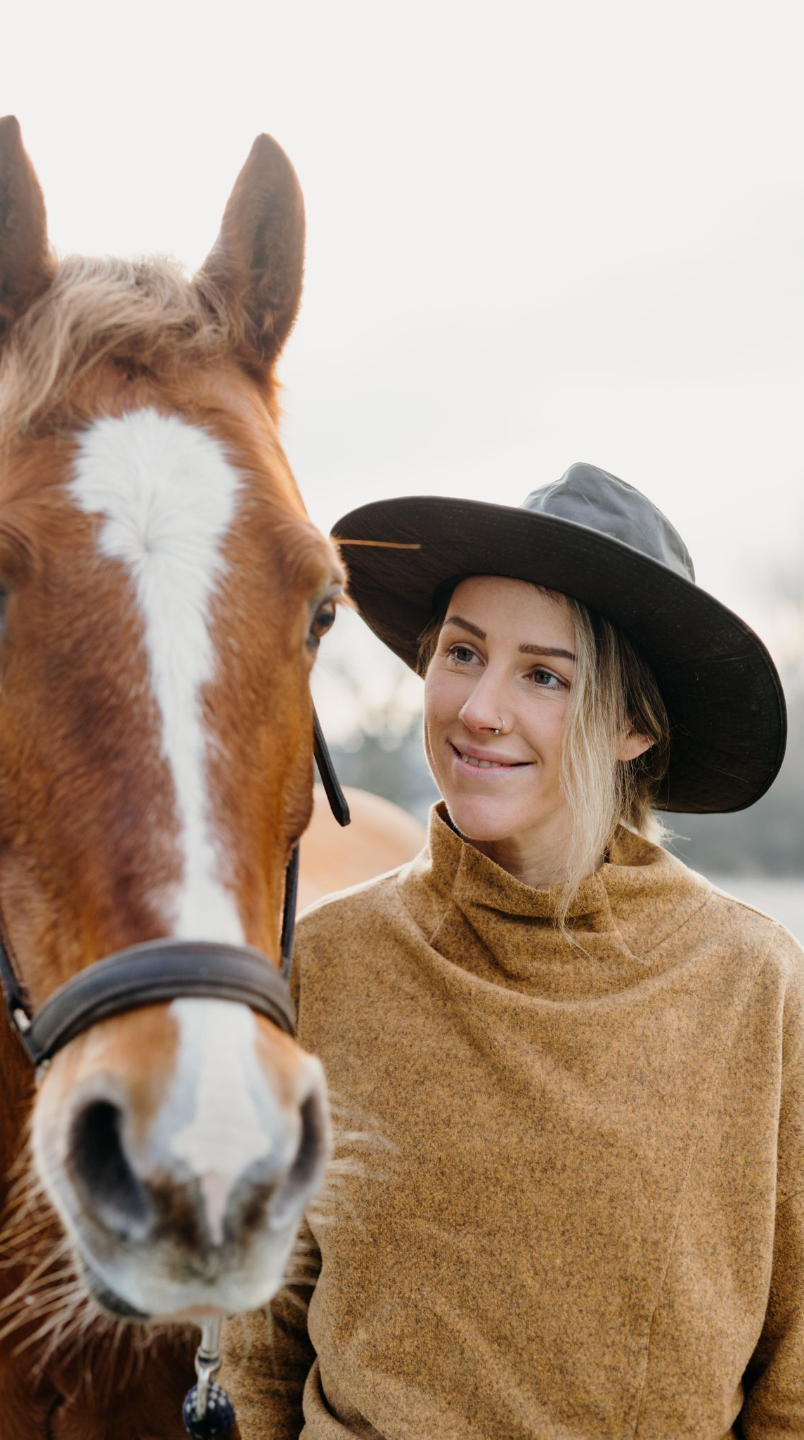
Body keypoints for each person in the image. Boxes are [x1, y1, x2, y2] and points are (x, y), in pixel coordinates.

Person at [223, 463, 802, 1439]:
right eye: (462, 653)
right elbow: (260, 1333)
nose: (480, 709)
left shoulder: (753, 985)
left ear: (634, 725)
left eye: (543, 675)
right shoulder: (327, 960)